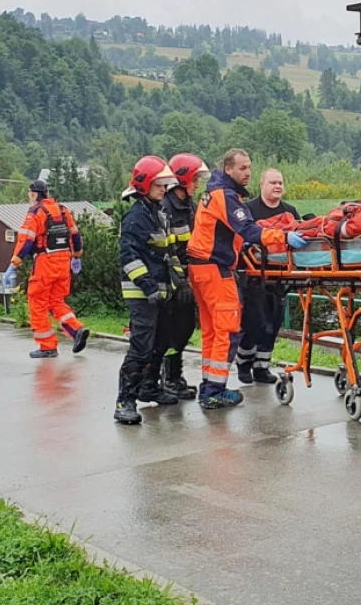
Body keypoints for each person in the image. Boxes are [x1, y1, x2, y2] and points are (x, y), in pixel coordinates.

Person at [186, 149, 307, 410]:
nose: (248, 172)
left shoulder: (215, 193)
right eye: (242, 168)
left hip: (202, 268)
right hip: (216, 269)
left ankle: (209, 386)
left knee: (212, 331)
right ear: (228, 169)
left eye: (249, 167)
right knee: (227, 331)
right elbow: (248, 230)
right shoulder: (225, 196)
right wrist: (283, 237)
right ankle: (214, 392)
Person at [113, 156, 185, 425]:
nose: (164, 189)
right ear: (144, 185)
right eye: (159, 184)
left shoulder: (158, 212)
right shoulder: (136, 217)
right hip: (141, 293)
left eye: (165, 184)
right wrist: (148, 286)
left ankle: (149, 388)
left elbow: (168, 252)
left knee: (162, 342)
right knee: (141, 348)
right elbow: (128, 257)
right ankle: (125, 401)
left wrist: (181, 282)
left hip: (162, 290)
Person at [4, 179, 90, 359]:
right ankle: (76, 330)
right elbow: (75, 235)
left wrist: (14, 263)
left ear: (34, 194)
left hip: (45, 262)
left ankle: (47, 346)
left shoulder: (35, 212)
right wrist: (77, 256)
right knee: (56, 301)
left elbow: (26, 240)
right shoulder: (63, 210)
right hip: (64, 262)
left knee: (37, 303)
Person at [236, 168, 301, 385]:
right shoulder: (249, 210)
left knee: (272, 324)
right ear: (262, 184)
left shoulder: (289, 211)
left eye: (280, 183)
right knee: (254, 323)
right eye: (273, 182)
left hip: (280, 276)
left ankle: (262, 367)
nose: (278, 186)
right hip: (253, 276)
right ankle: (244, 364)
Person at [159, 152, 211, 401]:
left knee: (185, 327)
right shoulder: (166, 207)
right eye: (194, 180)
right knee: (172, 330)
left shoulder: (189, 206)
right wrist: (178, 281)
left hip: (188, 277)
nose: (197, 185)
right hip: (172, 280)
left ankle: (174, 376)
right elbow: (168, 250)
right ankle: (168, 378)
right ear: (181, 179)